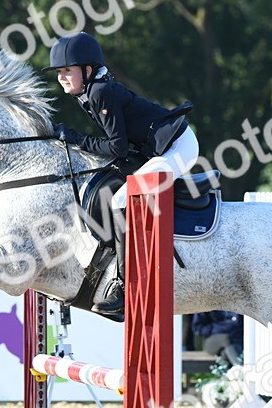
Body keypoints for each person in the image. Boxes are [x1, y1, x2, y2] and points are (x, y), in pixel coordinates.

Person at [43, 31, 198, 317]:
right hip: (157, 148)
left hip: (177, 148)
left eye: (67, 70)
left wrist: (74, 138)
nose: (61, 77)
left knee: (121, 200)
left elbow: (116, 147)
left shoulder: (100, 91)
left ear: (87, 70)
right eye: (59, 72)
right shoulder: (91, 91)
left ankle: (127, 286)